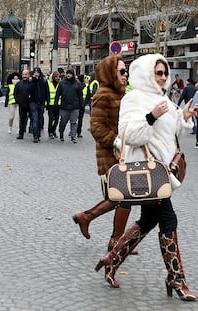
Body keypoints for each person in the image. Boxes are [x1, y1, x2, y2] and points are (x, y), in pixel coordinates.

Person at [94, 53, 198, 301]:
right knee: (168, 220)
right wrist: (150, 116)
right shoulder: (134, 98)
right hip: (146, 172)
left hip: (162, 171)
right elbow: (130, 135)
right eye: (157, 73)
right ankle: (176, 279)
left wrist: (183, 118)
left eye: (165, 73)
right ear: (146, 74)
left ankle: (112, 260)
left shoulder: (164, 98)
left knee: (149, 220)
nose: (163, 77)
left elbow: (172, 137)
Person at [72, 56, 136, 256]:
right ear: (110, 73)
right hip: (110, 153)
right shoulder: (103, 95)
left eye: (126, 71)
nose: (125, 75)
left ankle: (89, 219)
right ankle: (113, 238)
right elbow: (96, 128)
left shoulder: (121, 93)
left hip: (124, 153)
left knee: (122, 197)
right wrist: (117, 141)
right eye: (122, 71)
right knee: (123, 197)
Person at [55, 69, 82, 143]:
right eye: (67, 73)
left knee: (73, 122)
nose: (68, 75)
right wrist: (56, 103)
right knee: (63, 122)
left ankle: (73, 136)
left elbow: (80, 96)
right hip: (64, 107)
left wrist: (81, 106)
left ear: (73, 75)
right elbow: (58, 94)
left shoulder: (77, 84)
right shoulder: (62, 83)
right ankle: (61, 133)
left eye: (70, 74)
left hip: (74, 107)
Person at [29, 67, 49, 143]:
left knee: (40, 120)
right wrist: (34, 80)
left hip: (41, 102)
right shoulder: (31, 81)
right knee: (35, 119)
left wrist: (47, 102)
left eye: (37, 72)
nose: (36, 73)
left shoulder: (43, 81)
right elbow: (29, 90)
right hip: (33, 102)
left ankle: (38, 133)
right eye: (35, 72)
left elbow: (47, 92)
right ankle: (35, 136)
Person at [14, 69, 32, 140]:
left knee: (33, 119)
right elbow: (15, 93)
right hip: (22, 104)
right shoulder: (19, 84)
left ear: (29, 75)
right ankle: (21, 134)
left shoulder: (31, 83)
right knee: (22, 120)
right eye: (23, 74)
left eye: (26, 74)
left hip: (31, 104)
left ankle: (34, 132)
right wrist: (18, 101)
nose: (24, 76)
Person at [46, 71, 61, 139]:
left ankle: (53, 130)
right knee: (51, 118)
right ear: (53, 77)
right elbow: (46, 94)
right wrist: (46, 104)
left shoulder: (60, 84)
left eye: (58, 77)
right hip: (50, 104)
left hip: (58, 104)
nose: (57, 78)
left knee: (57, 119)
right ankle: (50, 132)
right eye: (56, 77)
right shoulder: (48, 83)